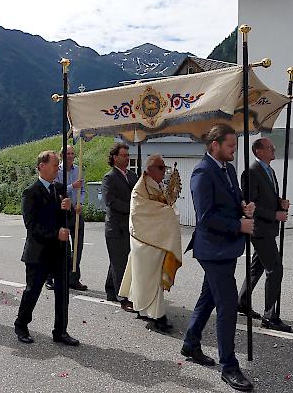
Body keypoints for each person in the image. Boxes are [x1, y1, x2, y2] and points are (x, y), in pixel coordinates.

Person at [181, 124, 256, 392]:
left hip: (226, 248)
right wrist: (239, 225)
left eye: (234, 146)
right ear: (215, 145)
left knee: (209, 296)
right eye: (230, 146)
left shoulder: (228, 169)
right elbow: (206, 217)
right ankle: (229, 367)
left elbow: (233, 198)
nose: (234, 151)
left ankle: (190, 343)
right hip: (212, 250)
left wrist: (244, 206)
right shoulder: (202, 173)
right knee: (227, 304)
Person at [14, 150, 79, 346]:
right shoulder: (31, 192)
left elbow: (64, 221)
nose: (57, 168)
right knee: (32, 291)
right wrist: (54, 233)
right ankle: (21, 325)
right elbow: (31, 225)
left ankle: (61, 331)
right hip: (39, 251)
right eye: (54, 164)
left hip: (59, 251)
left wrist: (68, 209)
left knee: (62, 293)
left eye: (58, 164)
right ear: (41, 166)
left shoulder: (60, 189)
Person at [119, 154, 182, 333]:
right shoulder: (140, 189)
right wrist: (168, 213)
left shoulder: (157, 185)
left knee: (148, 277)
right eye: (161, 168)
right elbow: (140, 213)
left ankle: (144, 309)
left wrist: (168, 207)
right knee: (149, 277)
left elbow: (161, 206)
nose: (164, 171)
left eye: (164, 167)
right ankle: (157, 316)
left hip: (154, 237)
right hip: (145, 239)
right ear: (150, 169)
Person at [237, 137, 291, 332]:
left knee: (256, 267)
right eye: (270, 147)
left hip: (268, 228)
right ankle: (270, 316)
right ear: (258, 151)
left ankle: (242, 302)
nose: (274, 149)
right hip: (259, 229)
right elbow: (250, 205)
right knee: (275, 269)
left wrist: (280, 202)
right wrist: (275, 213)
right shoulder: (251, 173)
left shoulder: (270, 171)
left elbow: (267, 197)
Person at [102, 142, 138, 312]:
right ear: (115, 158)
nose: (127, 158)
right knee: (120, 263)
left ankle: (110, 289)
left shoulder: (132, 175)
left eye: (128, 155)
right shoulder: (109, 177)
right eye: (124, 155)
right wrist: (131, 209)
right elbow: (110, 201)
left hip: (129, 226)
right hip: (115, 227)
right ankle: (123, 298)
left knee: (117, 259)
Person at [46, 145, 87, 292]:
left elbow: (82, 189)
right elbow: (57, 189)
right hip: (61, 211)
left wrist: (80, 203)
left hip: (75, 212)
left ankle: (74, 278)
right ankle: (50, 276)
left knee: (77, 246)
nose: (70, 156)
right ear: (62, 155)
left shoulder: (78, 169)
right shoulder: (58, 170)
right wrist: (71, 186)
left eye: (72, 153)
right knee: (60, 247)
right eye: (67, 153)